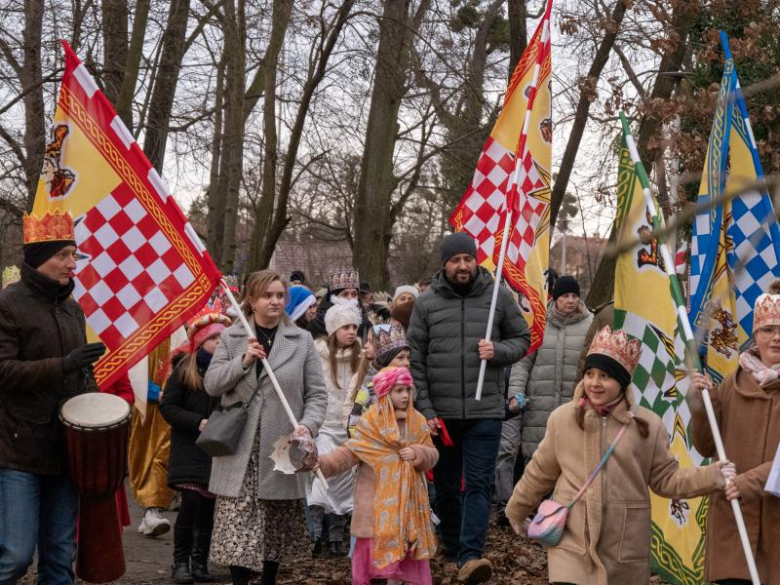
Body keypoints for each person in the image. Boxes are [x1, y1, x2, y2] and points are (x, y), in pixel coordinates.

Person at [506, 326, 735, 585]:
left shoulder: (647, 426)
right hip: (572, 543)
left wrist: (712, 476)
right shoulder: (563, 419)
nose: (594, 383)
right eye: (590, 374)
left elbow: (667, 479)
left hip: (624, 547)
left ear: (622, 381)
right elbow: (540, 471)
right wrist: (517, 509)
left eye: (604, 376)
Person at [407, 232, 531, 583]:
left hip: (484, 410)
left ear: (476, 261)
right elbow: (416, 361)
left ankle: (471, 555)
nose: (462, 266)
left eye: (468, 259)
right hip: (442, 414)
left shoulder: (498, 298)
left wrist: (498, 351)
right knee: (447, 486)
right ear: (444, 264)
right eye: (455, 260)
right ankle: (451, 546)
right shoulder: (426, 304)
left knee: (479, 484)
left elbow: (522, 339)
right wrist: (426, 409)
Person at [0, 211, 106, 583]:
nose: (72, 263)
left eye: (73, 254)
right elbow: (3, 372)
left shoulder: (73, 309)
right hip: (18, 450)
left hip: (67, 450)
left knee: (60, 560)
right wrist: (63, 364)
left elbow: (82, 373)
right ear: (39, 257)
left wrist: (98, 414)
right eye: (63, 255)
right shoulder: (8, 304)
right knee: (14, 557)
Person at [204, 270, 328, 585]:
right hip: (239, 445)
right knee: (238, 523)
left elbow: (317, 394)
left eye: (279, 295)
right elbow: (212, 384)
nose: (274, 301)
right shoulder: (232, 337)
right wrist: (244, 361)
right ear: (251, 299)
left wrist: (307, 426)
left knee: (275, 523)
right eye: (267, 295)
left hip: (282, 443)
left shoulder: (301, 340)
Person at [689, 282, 780, 585]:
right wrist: (702, 405)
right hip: (733, 528)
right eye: (768, 329)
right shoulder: (732, 383)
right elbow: (705, 446)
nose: (776, 337)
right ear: (755, 335)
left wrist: (747, 483)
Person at [318, 366, 438, 585]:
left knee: (400, 563)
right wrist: (322, 463)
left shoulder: (418, 422)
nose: (405, 395)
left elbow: (432, 455)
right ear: (384, 393)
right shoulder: (370, 424)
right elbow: (348, 454)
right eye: (398, 390)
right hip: (374, 510)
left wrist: (418, 453)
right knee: (373, 564)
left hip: (407, 509)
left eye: (408, 390)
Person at [160, 310, 231, 584]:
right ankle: (181, 562)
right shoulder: (185, 369)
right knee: (190, 502)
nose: (219, 343)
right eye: (214, 338)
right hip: (189, 448)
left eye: (223, 338)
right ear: (201, 340)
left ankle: (200, 562)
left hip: (215, 450)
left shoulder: (228, 372)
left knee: (208, 507)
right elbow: (168, 407)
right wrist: (196, 422)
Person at [506, 275, 593, 472]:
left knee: (571, 467)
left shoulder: (590, 324)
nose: (570, 300)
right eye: (565, 296)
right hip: (539, 408)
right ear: (555, 298)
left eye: (574, 296)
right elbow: (522, 364)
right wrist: (515, 394)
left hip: (574, 406)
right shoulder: (539, 323)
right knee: (536, 466)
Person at [308, 300, 362, 556]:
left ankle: (337, 536)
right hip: (325, 427)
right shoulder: (317, 354)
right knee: (320, 483)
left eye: (354, 327)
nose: (351, 332)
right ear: (333, 330)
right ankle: (315, 533)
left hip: (349, 429)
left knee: (344, 484)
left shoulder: (361, 356)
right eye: (345, 327)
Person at [347, 323, 411, 438]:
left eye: (408, 358)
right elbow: (353, 424)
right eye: (400, 358)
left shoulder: (410, 388)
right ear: (386, 359)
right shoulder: (369, 389)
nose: (407, 362)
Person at [308, 267, 372, 341]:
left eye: (354, 294)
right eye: (345, 294)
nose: (350, 298)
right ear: (333, 297)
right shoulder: (316, 325)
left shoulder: (365, 325)